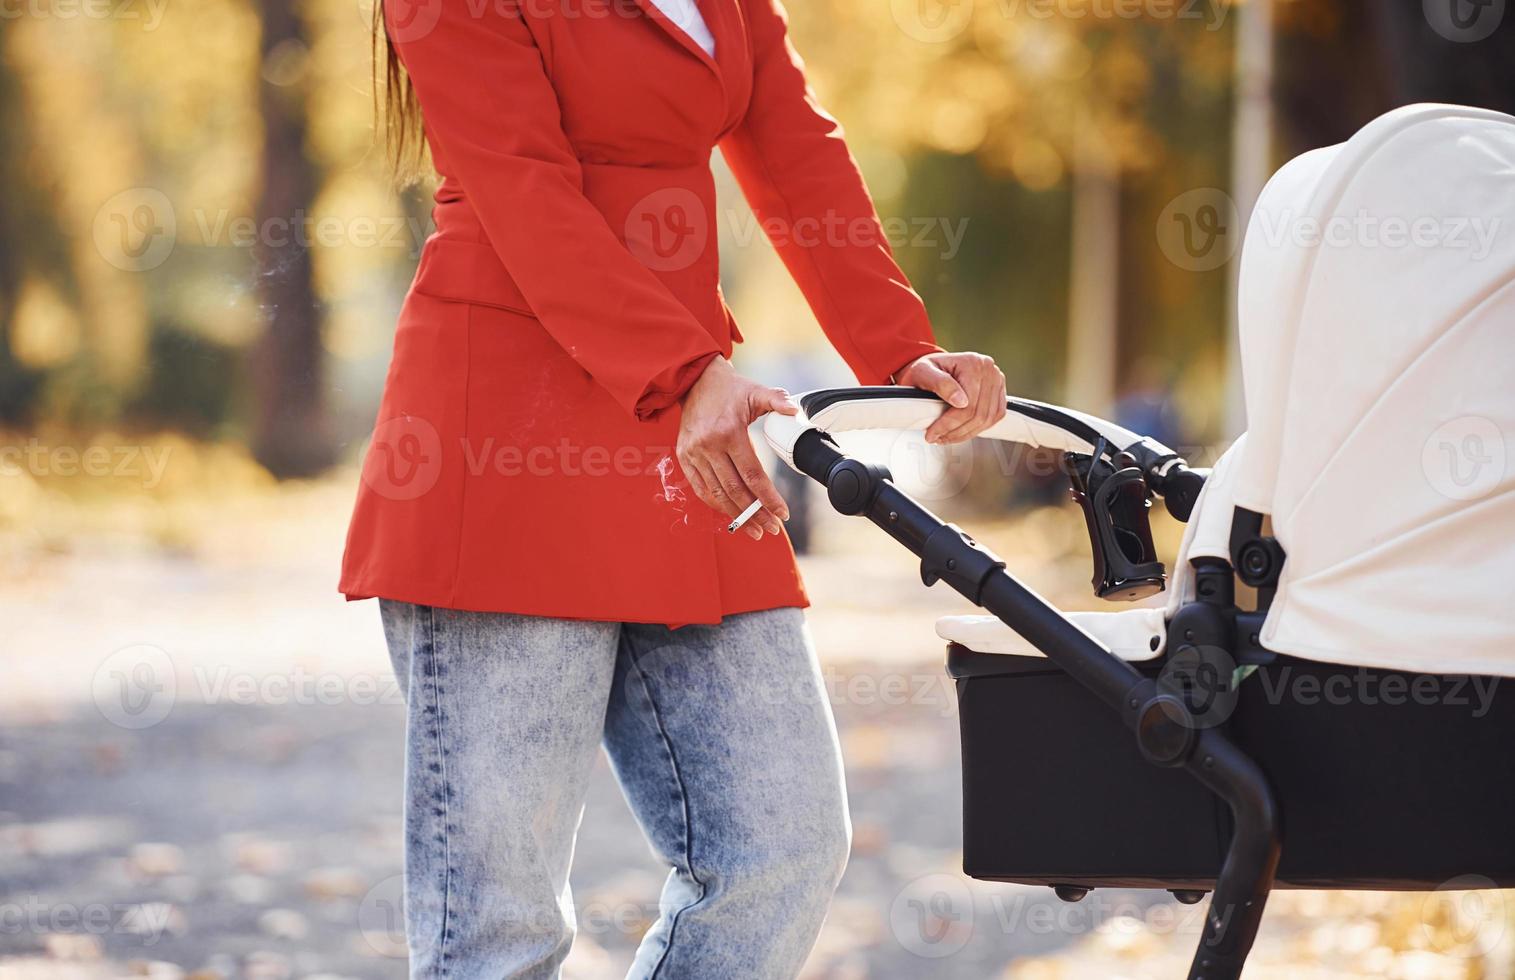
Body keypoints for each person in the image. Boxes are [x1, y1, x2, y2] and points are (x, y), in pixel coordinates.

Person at [341, 0, 1007, 974]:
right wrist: (681, 371)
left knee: (781, 846)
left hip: (693, 436)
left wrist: (899, 352)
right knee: (502, 929)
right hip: (506, 454)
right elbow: (519, 186)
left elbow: (795, 150)